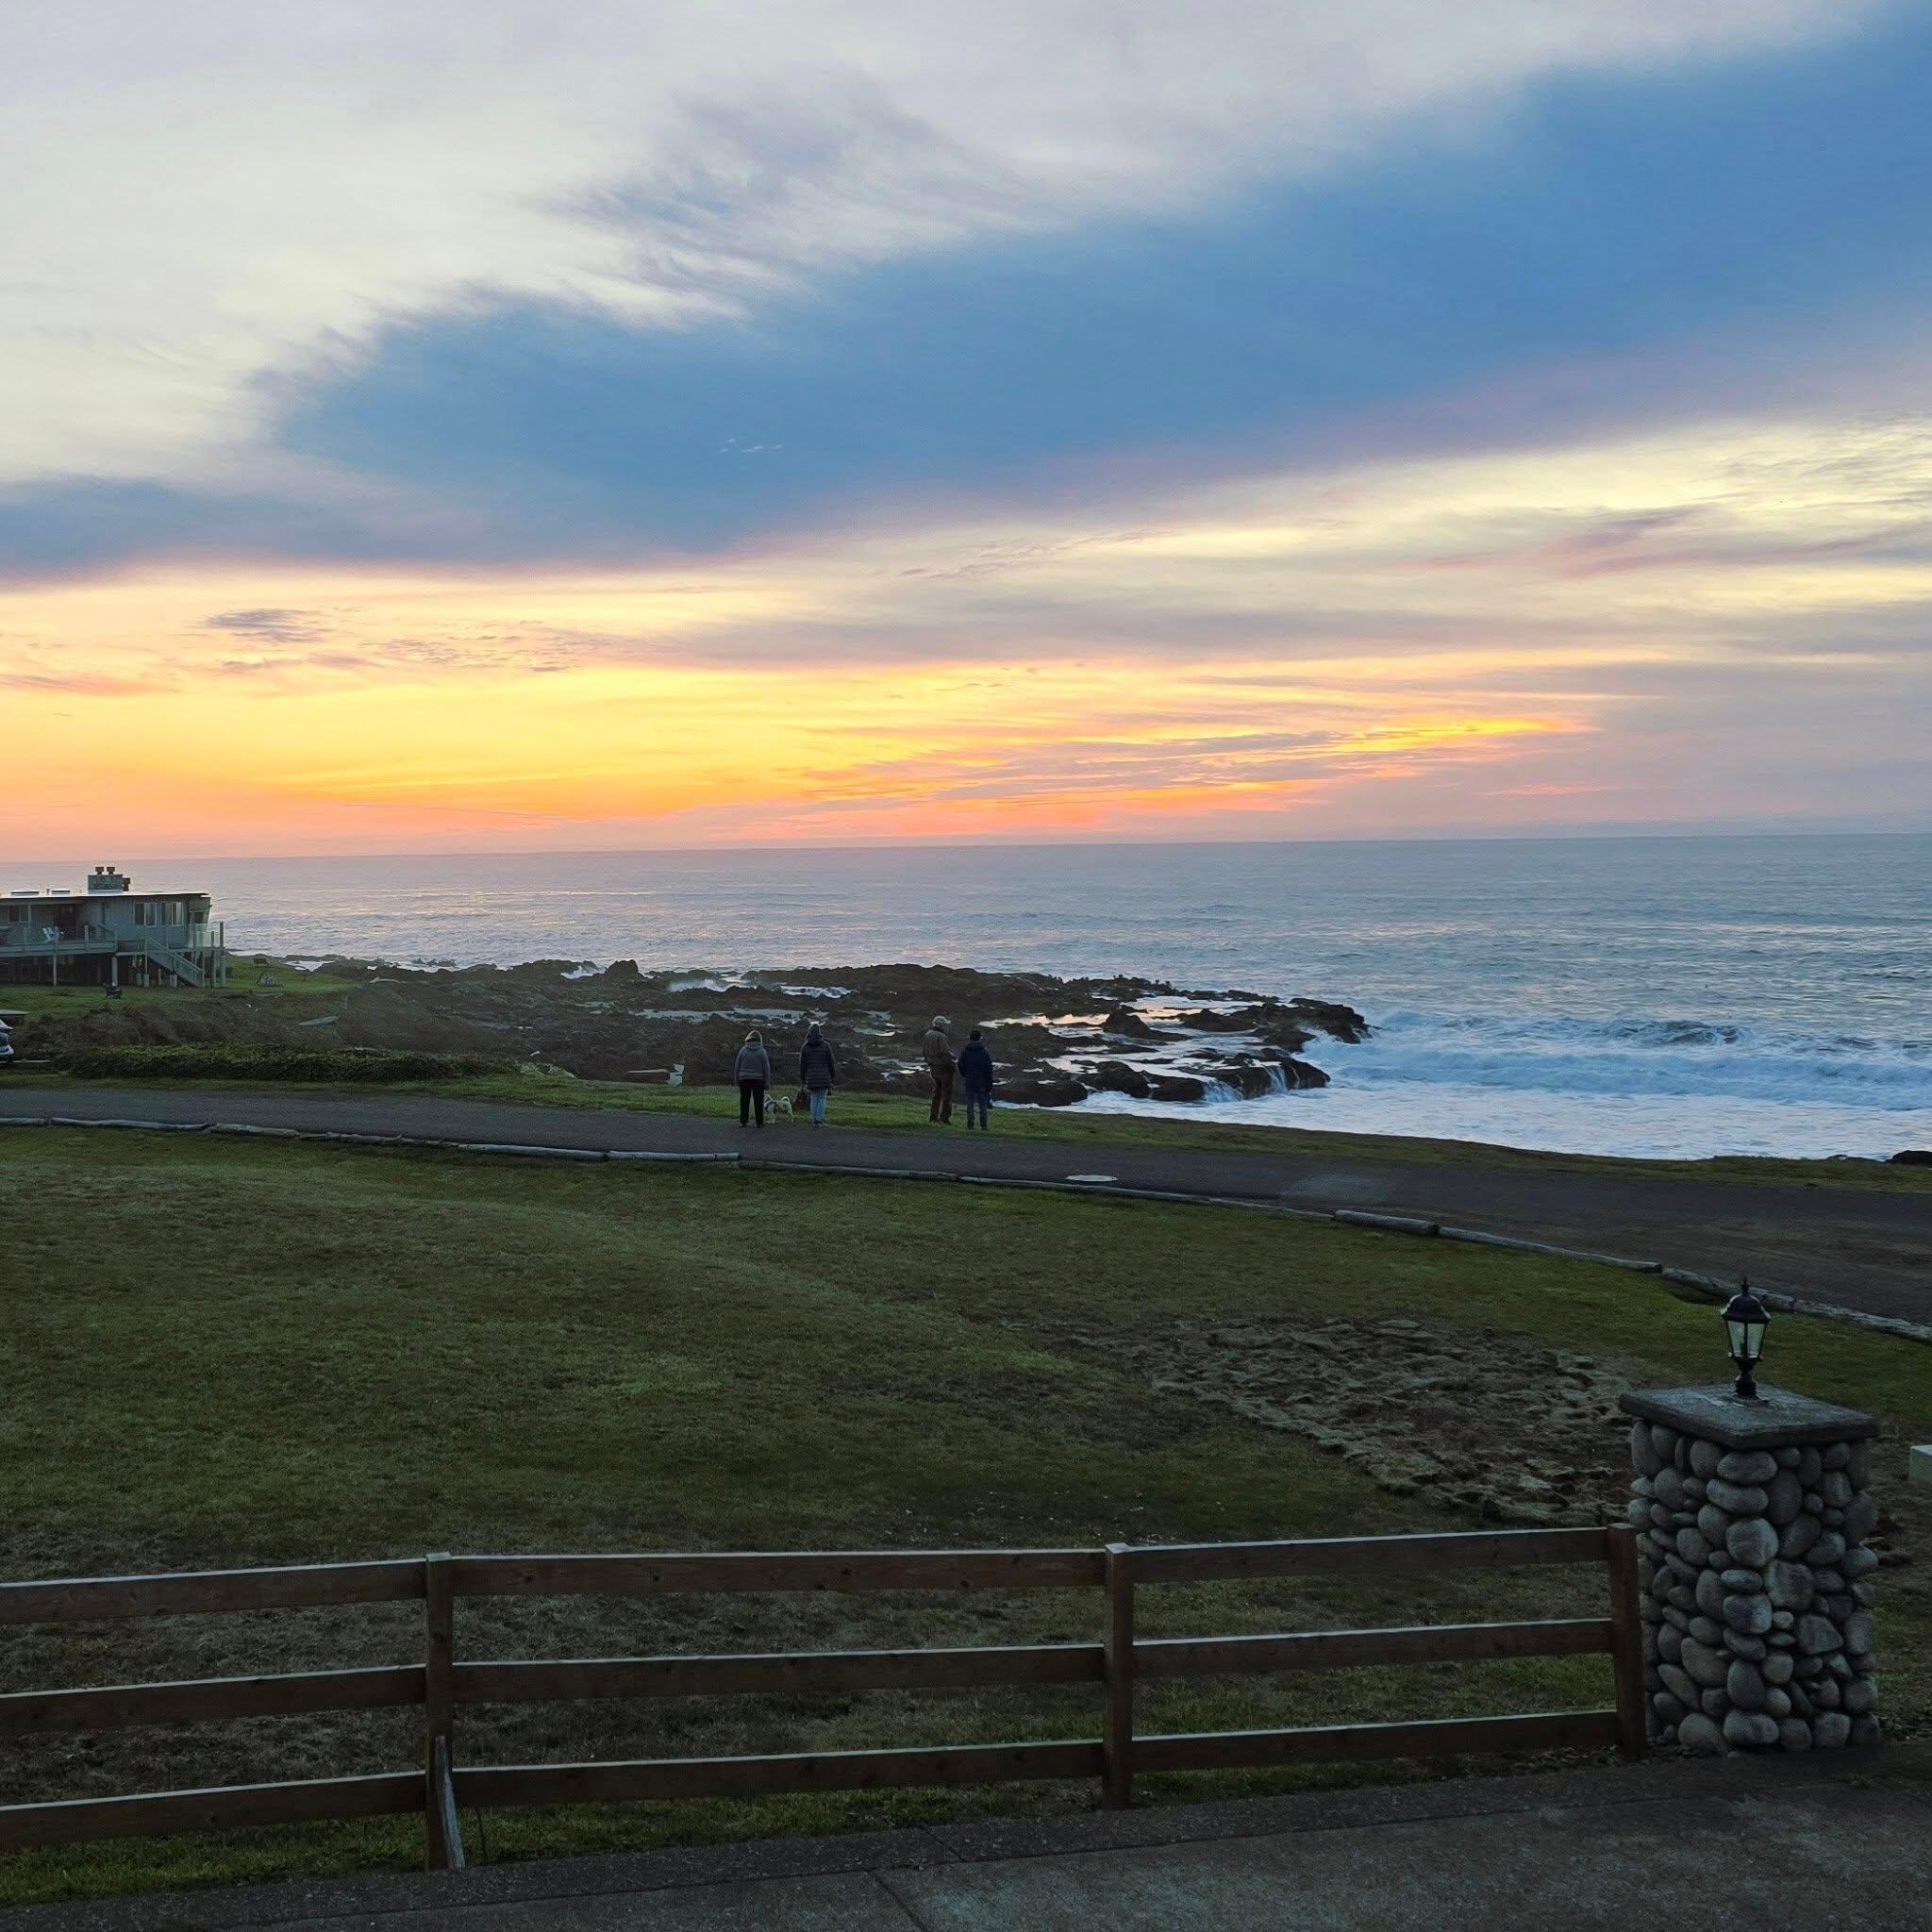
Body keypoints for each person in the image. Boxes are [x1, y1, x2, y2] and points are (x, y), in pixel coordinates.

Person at [798, 1022, 837, 1125]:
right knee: (822, 1098)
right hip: (824, 1076)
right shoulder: (826, 1046)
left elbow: (802, 1065)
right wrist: (833, 1075)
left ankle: (814, 1119)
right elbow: (831, 1062)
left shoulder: (805, 1047)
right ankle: (819, 1120)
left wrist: (802, 1078)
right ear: (820, 1033)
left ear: (809, 1033)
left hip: (811, 1077)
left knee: (814, 1098)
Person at [958, 1028, 994, 1130]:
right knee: (982, 1105)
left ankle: (970, 1125)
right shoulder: (984, 1051)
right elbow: (989, 1068)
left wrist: (965, 1074)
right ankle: (984, 1126)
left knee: (970, 1103)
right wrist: (989, 1082)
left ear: (970, 1038)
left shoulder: (965, 1050)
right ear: (980, 1038)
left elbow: (960, 1064)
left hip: (969, 1080)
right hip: (982, 1081)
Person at [922, 1014, 956, 1124]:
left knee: (937, 1092)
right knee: (947, 1093)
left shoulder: (927, 1034)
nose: (946, 1027)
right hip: (943, 1067)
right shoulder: (941, 1036)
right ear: (941, 1025)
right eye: (945, 1024)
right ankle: (944, 1117)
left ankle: (933, 1116)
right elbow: (945, 1052)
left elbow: (924, 1052)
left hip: (933, 1067)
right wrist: (951, 1063)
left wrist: (929, 1062)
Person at [734, 1028, 772, 1127]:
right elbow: (766, 1069)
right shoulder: (762, 1052)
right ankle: (759, 1122)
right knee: (758, 1101)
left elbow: (737, 1066)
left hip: (744, 1078)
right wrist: (767, 1083)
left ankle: (743, 1121)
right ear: (759, 1040)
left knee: (744, 1100)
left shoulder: (743, 1050)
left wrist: (736, 1079)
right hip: (758, 1079)